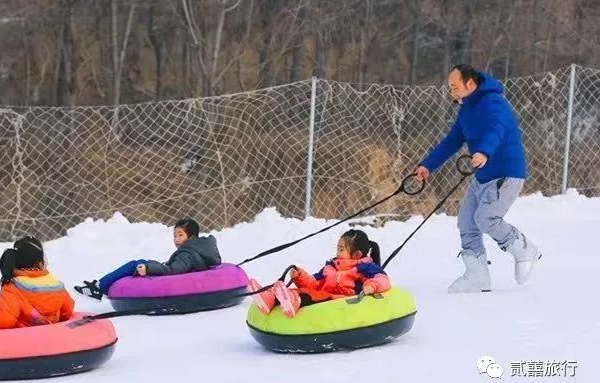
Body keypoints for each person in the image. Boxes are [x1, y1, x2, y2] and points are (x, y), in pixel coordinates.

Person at [415, 64, 542, 293]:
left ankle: (524, 249)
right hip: (482, 177)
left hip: (505, 174)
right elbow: (452, 141)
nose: (451, 92)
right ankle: (477, 274)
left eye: (455, 87)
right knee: (467, 222)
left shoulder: (493, 103)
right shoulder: (466, 110)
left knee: (486, 218)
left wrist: (484, 151)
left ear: (470, 84)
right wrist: (427, 165)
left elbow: (497, 129)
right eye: (450, 87)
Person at [247, 229, 390, 318]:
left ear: (357, 254)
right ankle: (269, 298)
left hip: (338, 299)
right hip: (322, 292)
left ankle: (293, 302)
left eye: (341, 249)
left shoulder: (364, 267)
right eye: (337, 248)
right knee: (303, 290)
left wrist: (371, 286)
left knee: (310, 296)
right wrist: (300, 276)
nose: (337, 253)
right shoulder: (331, 267)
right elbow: (314, 282)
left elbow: (383, 279)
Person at [74, 219, 222, 300]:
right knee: (141, 262)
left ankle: (98, 288)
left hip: (172, 278)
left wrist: (149, 269)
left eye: (180, 235)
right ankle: (99, 285)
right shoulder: (195, 249)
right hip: (176, 270)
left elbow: (173, 271)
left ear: (191, 237)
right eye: (174, 235)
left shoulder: (187, 253)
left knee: (135, 264)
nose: (176, 239)